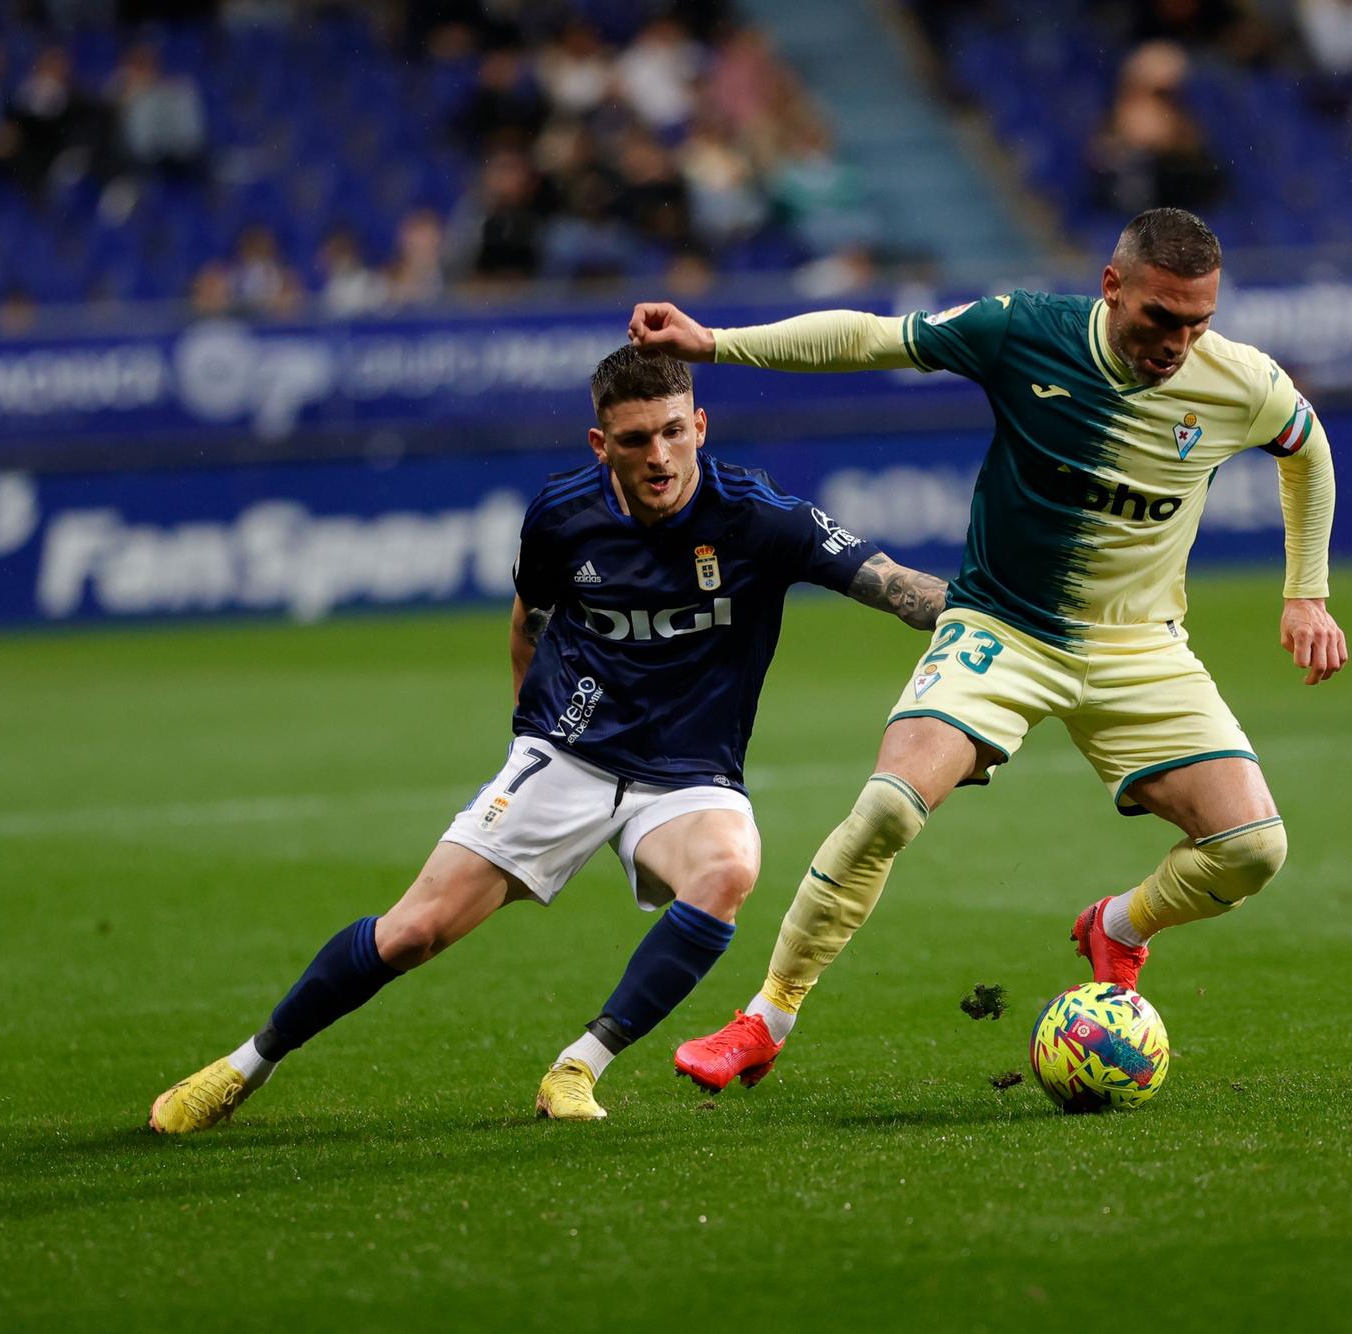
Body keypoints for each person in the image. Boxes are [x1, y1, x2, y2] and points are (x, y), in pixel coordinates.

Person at [628, 206, 1347, 1092]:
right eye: (1162, 318)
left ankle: (1119, 927)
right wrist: (716, 344)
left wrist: (1305, 590)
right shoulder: (1020, 332)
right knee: (889, 808)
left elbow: (1307, 451)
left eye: (1198, 323)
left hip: (1139, 647)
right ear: (1112, 287)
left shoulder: (1240, 382)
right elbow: (868, 337)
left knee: (1252, 850)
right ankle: (764, 1019)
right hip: (1001, 628)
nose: (1179, 343)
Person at [148, 347, 948, 1131]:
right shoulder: (563, 516)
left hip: (689, 774)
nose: (659, 456)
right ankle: (243, 1066)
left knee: (728, 869)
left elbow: (905, 593)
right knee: (414, 931)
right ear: (602, 446)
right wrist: (531, 741)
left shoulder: (761, 517)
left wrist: (1004, 610)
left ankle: (577, 1067)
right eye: (636, 440)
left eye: (673, 432)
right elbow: (528, 621)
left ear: (700, 426)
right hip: (567, 754)